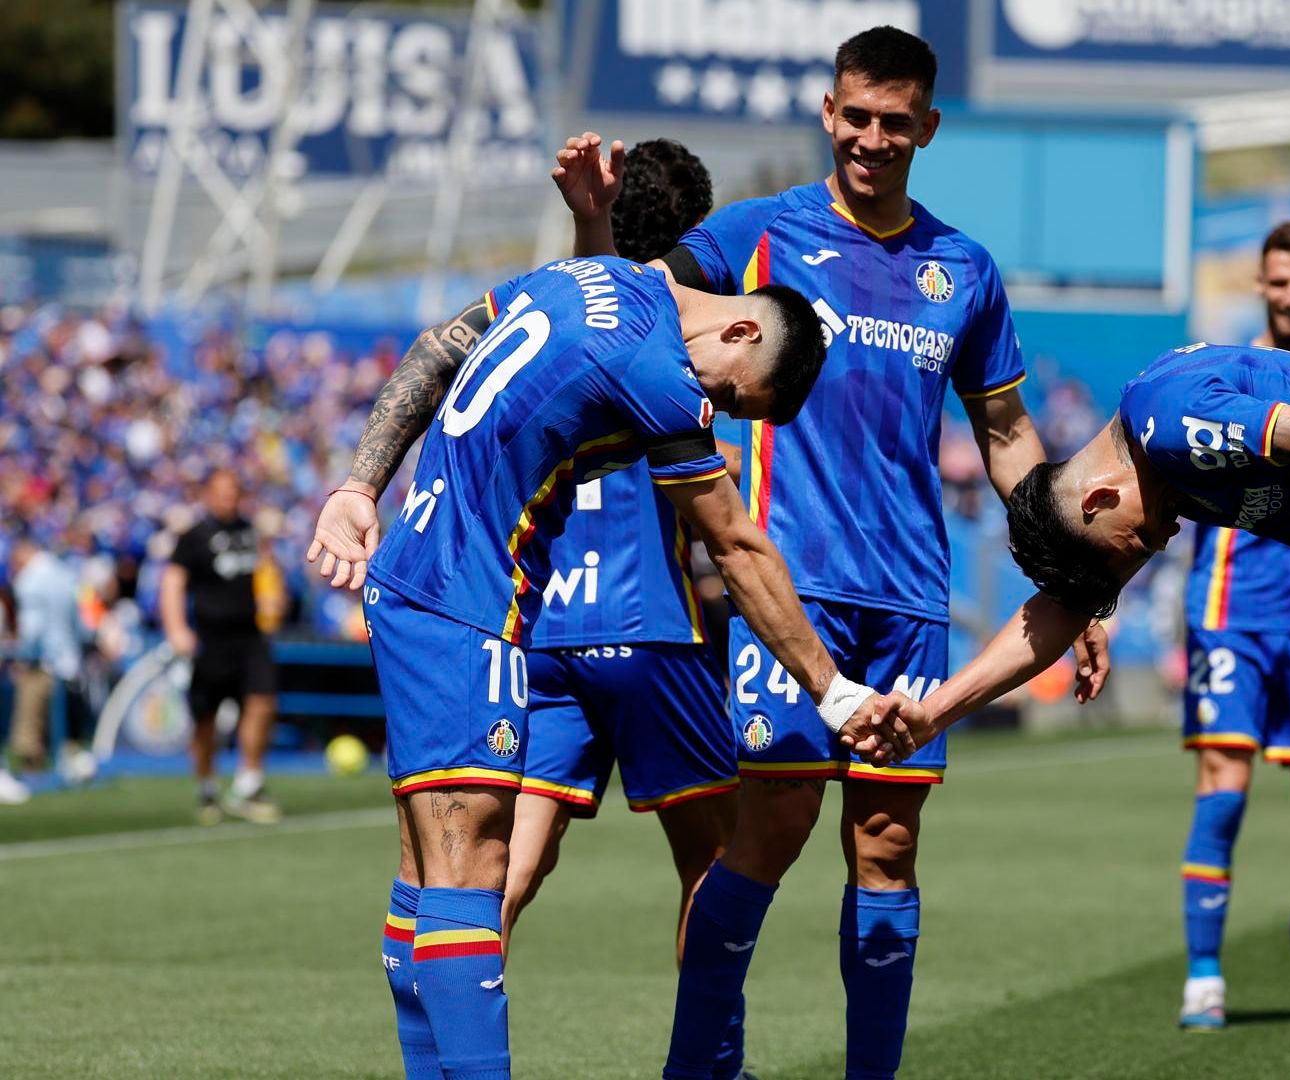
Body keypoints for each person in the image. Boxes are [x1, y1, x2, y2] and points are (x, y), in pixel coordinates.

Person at [557, 27, 1098, 1080]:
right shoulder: (755, 234)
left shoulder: (963, 271)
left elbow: (1005, 435)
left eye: (896, 122)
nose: (873, 139)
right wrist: (593, 222)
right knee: (773, 827)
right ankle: (698, 1069)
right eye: (857, 116)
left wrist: (1070, 576)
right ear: (828, 112)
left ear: (928, 127)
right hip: (788, 595)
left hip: (908, 601)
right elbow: (626, 305)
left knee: (888, 849)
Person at [846, 341, 1290, 1080]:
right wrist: (936, 711)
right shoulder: (1153, 472)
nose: (1160, 542)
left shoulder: (1170, 425)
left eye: (1135, 542)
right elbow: (1061, 608)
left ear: (1097, 499)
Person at [305, 252, 916, 1080]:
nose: (715, 411)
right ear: (740, 328)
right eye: (734, 396)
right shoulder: (660, 371)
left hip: (417, 578)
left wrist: (358, 486)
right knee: (472, 868)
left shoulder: (586, 274)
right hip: (464, 604)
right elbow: (735, 545)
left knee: (428, 874)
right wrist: (833, 692)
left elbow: (437, 349)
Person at [334, 137, 752, 1076]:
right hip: (649, 624)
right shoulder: (672, 357)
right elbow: (730, 531)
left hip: (538, 615)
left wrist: (360, 484)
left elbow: (476, 333)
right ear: (700, 236)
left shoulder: (559, 292)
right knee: (717, 866)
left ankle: (447, 1046)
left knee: (491, 872)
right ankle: (709, 1066)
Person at [1176, 222, 1290, 1029]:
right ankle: (1205, 979)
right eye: (1277, 281)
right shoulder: (1227, 374)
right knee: (1223, 793)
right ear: (1261, 285)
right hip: (1230, 613)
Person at [160, 468, 282, 825]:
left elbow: (267, 572)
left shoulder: (249, 531)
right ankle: (207, 788)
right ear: (208, 494)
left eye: (234, 491)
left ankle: (249, 783)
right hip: (211, 638)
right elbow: (173, 582)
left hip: (250, 635)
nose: (229, 497)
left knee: (263, 699)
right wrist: (177, 628)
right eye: (222, 491)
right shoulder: (194, 536)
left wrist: (274, 601)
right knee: (206, 719)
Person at [5, 535, 85, 804]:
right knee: (59, 720)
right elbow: (78, 620)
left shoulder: (30, 581)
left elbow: (32, 627)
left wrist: (22, 653)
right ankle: (69, 762)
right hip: (67, 658)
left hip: (43, 660)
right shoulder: (64, 574)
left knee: (30, 718)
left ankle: (33, 773)